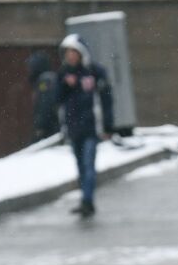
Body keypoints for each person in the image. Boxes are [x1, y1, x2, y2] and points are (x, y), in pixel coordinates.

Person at [56, 34, 114, 218]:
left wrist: (108, 126)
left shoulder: (94, 72)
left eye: (74, 52)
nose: (70, 56)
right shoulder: (64, 74)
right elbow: (56, 100)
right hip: (73, 128)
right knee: (80, 166)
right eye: (68, 53)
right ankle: (85, 199)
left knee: (89, 164)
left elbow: (106, 99)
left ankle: (88, 201)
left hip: (91, 127)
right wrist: (65, 85)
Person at [26, 51, 59, 142]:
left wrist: (41, 126)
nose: (29, 70)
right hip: (53, 126)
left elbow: (45, 104)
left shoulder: (45, 81)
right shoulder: (48, 78)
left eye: (31, 67)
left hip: (50, 128)